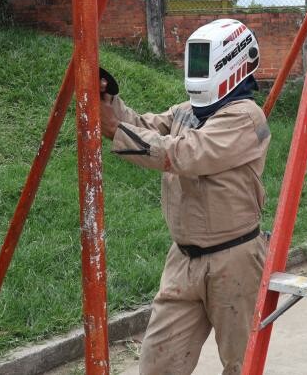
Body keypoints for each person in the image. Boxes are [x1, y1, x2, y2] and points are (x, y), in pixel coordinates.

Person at [98, 19, 270, 374]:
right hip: (183, 260)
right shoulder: (188, 112)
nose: (195, 72)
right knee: (158, 364)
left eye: (203, 63)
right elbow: (144, 126)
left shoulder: (245, 117)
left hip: (234, 260)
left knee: (242, 366)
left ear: (231, 62)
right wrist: (107, 99)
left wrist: (116, 129)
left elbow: (186, 154)